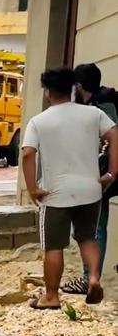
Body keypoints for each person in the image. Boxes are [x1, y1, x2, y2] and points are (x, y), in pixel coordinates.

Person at [21, 67, 118, 309]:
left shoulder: (39, 121)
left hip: (55, 193)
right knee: (88, 237)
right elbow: (115, 135)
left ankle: (51, 296)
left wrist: (32, 188)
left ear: (47, 92)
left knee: (54, 246)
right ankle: (93, 279)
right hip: (91, 189)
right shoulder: (93, 114)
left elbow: (27, 154)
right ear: (73, 88)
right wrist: (112, 173)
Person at [60, 62, 118, 294]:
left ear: (79, 86)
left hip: (107, 175)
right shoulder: (104, 101)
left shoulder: (102, 106)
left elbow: (112, 141)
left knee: (94, 226)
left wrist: (108, 174)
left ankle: (88, 279)